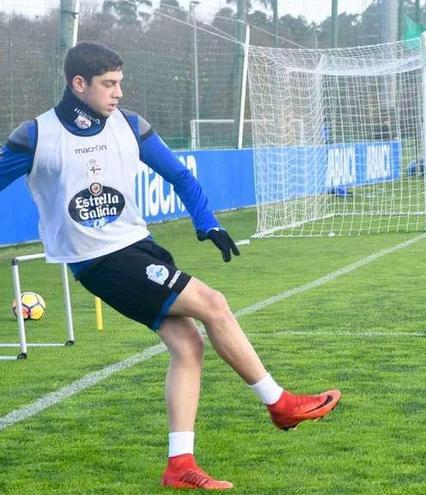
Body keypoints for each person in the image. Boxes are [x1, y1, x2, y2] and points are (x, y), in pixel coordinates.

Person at [0, 42, 341, 490]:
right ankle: (281, 405)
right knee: (214, 304)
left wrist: (207, 222)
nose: (118, 92)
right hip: (99, 261)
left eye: (120, 82)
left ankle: (179, 464)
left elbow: (180, 175)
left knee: (188, 346)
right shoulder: (36, 136)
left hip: (140, 246)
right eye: (108, 84)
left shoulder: (130, 125)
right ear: (78, 84)